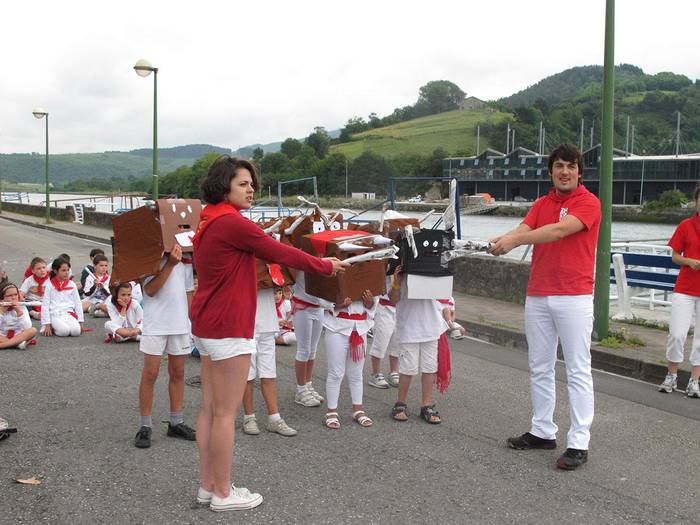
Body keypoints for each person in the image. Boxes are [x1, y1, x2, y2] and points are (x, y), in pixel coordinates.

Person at [189, 155, 346, 512]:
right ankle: (224, 493)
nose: (251, 189)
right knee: (226, 414)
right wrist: (326, 264)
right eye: (243, 183)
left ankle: (208, 485)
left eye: (251, 184)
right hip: (229, 325)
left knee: (211, 410)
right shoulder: (233, 223)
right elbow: (281, 252)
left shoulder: (208, 219)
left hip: (207, 324)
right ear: (224, 185)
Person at [488, 143, 601, 471]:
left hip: (574, 296)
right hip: (538, 294)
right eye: (559, 166)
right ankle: (542, 430)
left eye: (571, 166)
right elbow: (524, 229)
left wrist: (516, 240)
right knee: (540, 365)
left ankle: (579, 442)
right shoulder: (542, 203)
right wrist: (501, 240)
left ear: (580, 171)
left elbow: (559, 231)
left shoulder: (589, 203)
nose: (564, 171)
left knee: (578, 369)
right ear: (551, 171)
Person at [133, 243, 196, 449]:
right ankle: (145, 425)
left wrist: (192, 319)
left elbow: (188, 291)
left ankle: (176, 421)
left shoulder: (185, 256)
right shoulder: (149, 254)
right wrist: (169, 264)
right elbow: (150, 290)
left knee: (178, 372)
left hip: (179, 322)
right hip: (156, 322)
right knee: (150, 374)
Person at [389, 265, 445, 425]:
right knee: (407, 368)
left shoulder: (435, 268)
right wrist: (397, 282)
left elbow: (445, 297)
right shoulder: (401, 271)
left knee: (429, 368)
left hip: (431, 325)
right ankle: (400, 403)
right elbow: (393, 299)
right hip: (409, 326)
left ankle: (426, 404)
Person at [658, 185, 700, 398]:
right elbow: (675, 256)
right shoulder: (685, 226)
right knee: (677, 333)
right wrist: (690, 261)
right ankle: (672, 375)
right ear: (696, 202)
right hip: (685, 288)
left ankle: (695, 380)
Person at [241, 285, 297, 437]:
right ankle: (249, 417)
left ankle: (274, 418)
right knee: (248, 374)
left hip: (267, 321)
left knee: (269, 373)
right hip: (245, 320)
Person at [323, 290, 376, 429]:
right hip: (337, 327)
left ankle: (358, 409)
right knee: (335, 373)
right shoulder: (335, 270)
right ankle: (331, 411)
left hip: (360, 328)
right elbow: (322, 298)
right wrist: (339, 305)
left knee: (357, 373)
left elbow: (374, 302)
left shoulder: (367, 272)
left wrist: (369, 302)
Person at [368, 271, 400, 388]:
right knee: (381, 341)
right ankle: (376, 374)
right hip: (384, 306)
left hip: (400, 308)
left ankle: (393, 371)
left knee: (397, 343)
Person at [41, 258, 84, 337]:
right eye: (63, 270)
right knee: (64, 332)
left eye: (68, 270)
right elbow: (45, 305)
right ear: (55, 271)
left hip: (68, 314)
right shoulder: (50, 285)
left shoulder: (72, 284)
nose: (67, 273)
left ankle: (60, 326)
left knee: (76, 332)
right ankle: (53, 326)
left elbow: (78, 303)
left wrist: (80, 321)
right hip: (55, 314)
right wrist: (47, 324)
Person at [0, 282, 38, 349]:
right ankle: (17, 344)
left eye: (15, 294)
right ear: (2, 298)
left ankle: (3, 345)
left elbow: (27, 327)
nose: (14, 297)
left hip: (19, 334)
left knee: (33, 330)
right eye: (9, 295)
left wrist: (19, 312)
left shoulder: (22, 306)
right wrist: (2, 312)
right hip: (3, 335)